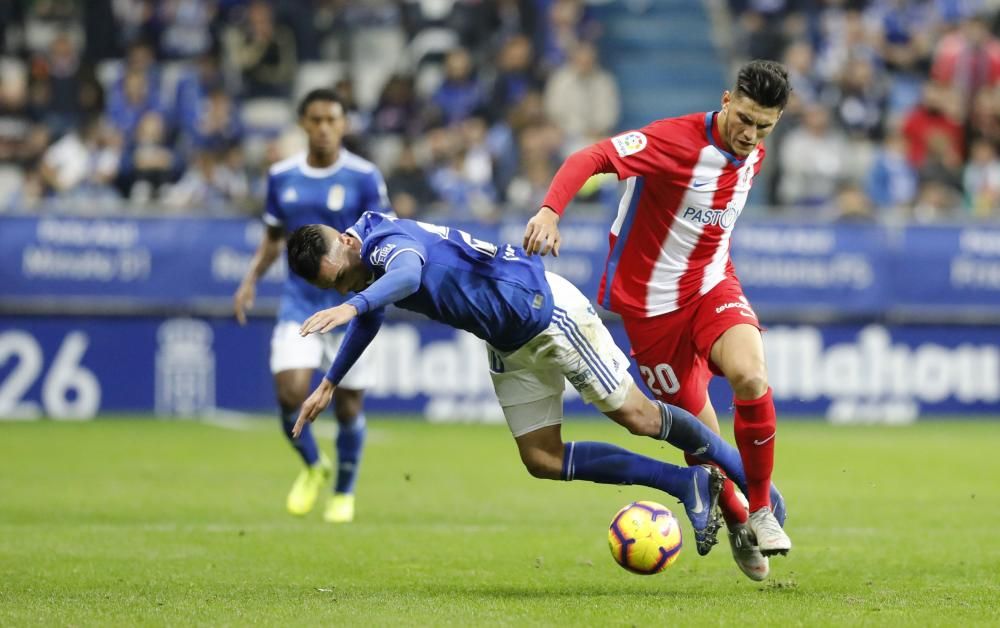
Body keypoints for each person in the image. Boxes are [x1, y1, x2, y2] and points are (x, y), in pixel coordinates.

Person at [286, 211, 782, 562]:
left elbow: (407, 273)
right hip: (506, 341)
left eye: (345, 277)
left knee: (640, 418)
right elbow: (373, 310)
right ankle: (686, 482)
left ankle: (754, 485)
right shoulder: (362, 254)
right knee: (541, 460)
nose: (347, 288)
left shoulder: (385, 241)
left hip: (545, 313)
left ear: (348, 245)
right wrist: (330, 381)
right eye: (336, 288)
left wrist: (351, 305)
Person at [522, 59, 794, 575]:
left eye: (765, 127)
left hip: (713, 284)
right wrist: (551, 210)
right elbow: (594, 155)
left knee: (752, 375)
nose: (751, 135)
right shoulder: (674, 141)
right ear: (727, 100)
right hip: (652, 311)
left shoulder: (752, 155)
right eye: (746, 120)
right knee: (701, 437)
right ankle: (736, 518)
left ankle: (761, 510)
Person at [233, 89, 390, 523]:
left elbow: (385, 233)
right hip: (299, 306)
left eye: (332, 120)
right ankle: (313, 465)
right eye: (316, 120)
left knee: (348, 407)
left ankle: (343, 492)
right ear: (303, 123)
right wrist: (250, 280)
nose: (323, 128)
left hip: (352, 308)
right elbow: (272, 238)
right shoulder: (282, 175)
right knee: (289, 392)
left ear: (343, 124)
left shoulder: (364, 176)